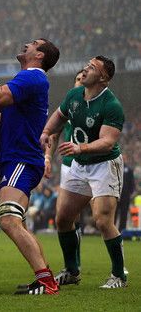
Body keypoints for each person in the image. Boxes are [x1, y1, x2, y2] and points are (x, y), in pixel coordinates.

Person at [0, 38, 61, 295]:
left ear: (39, 55)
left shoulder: (31, 77)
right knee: (17, 222)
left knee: (8, 220)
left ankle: (46, 282)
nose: (25, 44)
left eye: (32, 44)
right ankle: (46, 276)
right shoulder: (28, 80)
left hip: (22, 160)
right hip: (19, 159)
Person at [40, 56, 127, 289]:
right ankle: (71, 271)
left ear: (103, 78)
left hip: (104, 165)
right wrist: (46, 132)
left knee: (102, 220)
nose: (86, 68)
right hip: (78, 165)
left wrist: (80, 147)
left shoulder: (111, 105)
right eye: (87, 65)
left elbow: (108, 142)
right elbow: (59, 117)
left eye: (92, 67)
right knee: (63, 218)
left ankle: (119, 275)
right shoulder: (74, 96)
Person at [44, 69, 84, 278]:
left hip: (97, 164)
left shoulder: (100, 104)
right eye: (77, 78)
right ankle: (73, 267)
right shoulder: (69, 106)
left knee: (104, 219)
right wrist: (48, 157)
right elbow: (54, 134)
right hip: (70, 165)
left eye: (83, 78)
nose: (81, 81)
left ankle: (118, 270)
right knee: (67, 216)